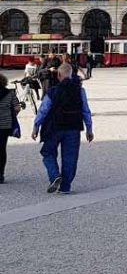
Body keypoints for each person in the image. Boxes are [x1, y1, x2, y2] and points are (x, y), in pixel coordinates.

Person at [31, 63, 94, 194]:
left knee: (47, 152)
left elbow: (43, 110)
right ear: (72, 75)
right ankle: (65, 187)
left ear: (59, 75)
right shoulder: (80, 91)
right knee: (70, 157)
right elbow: (86, 111)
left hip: (54, 127)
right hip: (74, 127)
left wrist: (36, 126)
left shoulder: (52, 91)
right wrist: (89, 129)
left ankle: (55, 176)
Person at [0, 73, 21, 184]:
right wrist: (12, 115)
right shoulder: (10, 93)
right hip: (5, 126)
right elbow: (17, 107)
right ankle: (1, 174)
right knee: (2, 149)